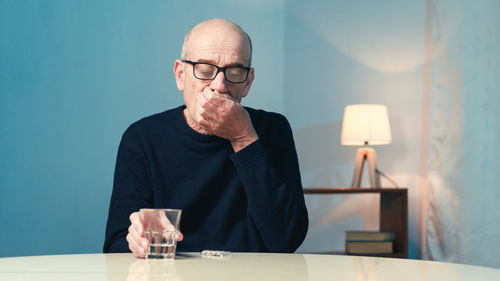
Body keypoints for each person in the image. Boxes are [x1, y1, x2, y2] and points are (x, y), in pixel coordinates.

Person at [103, 18, 308, 257]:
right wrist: (136, 242)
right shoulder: (142, 138)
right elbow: (115, 247)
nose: (220, 86)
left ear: (248, 83)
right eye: (205, 70)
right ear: (181, 75)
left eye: (234, 72)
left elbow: (286, 240)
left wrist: (243, 137)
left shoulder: (273, 130)